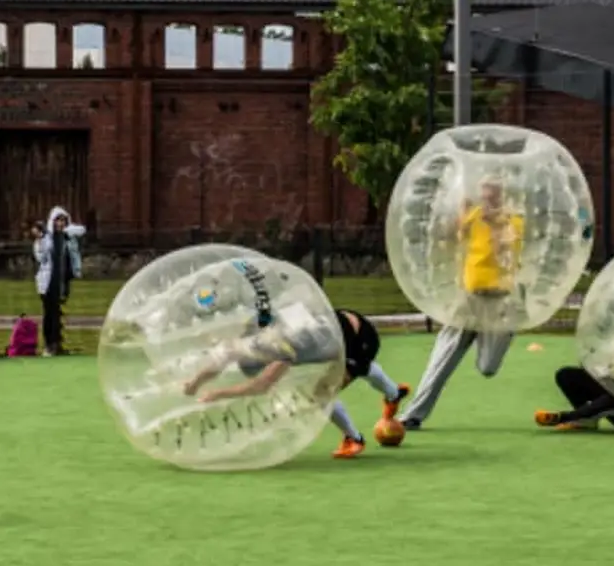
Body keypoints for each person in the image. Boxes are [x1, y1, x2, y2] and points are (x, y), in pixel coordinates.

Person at [182, 304, 410, 459]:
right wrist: (195, 382)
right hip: (335, 325)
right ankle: (394, 394)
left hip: (359, 338)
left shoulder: (282, 351)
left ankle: (354, 438)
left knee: (322, 393)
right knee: (348, 373)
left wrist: (218, 394)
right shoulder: (255, 336)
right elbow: (226, 355)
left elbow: (261, 386)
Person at [400, 177, 525, 430]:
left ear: (502, 191)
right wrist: (460, 215)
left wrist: (494, 225)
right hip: (470, 296)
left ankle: (496, 334)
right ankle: (413, 414)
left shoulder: (514, 219)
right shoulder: (473, 214)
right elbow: (452, 237)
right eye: (484, 187)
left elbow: (507, 246)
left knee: (488, 367)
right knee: (443, 356)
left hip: (500, 298)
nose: (486, 192)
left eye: (491, 187)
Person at [34, 207, 85, 357]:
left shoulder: (68, 237)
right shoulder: (46, 238)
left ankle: (57, 344)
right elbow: (40, 257)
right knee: (50, 314)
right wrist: (41, 240)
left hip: (62, 281)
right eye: (58, 220)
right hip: (47, 282)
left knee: (58, 313)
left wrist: (76, 270)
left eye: (63, 220)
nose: (61, 223)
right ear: (52, 221)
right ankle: (49, 345)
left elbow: (81, 230)